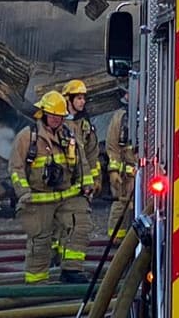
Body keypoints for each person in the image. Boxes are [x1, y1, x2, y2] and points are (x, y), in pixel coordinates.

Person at [8, 91, 88, 284]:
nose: (56, 120)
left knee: (80, 226)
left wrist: (87, 183)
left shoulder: (69, 134)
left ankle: (71, 271)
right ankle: (37, 282)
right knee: (40, 241)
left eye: (59, 116)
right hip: (38, 198)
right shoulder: (28, 137)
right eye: (52, 116)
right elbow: (16, 168)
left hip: (67, 195)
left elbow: (81, 161)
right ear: (42, 113)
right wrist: (24, 192)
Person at [52, 79, 99, 276]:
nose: (82, 102)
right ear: (67, 99)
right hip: (62, 187)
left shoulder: (84, 125)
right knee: (61, 228)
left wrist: (94, 180)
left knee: (79, 225)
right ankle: (61, 265)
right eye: (78, 98)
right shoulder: (57, 125)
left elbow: (91, 156)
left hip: (80, 189)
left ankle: (70, 269)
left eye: (83, 98)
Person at [106, 88, 137, 241]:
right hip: (126, 178)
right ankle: (117, 244)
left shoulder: (152, 114)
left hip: (146, 174)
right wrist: (113, 171)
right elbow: (113, 148)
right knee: (121, 207)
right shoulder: (120, 117)